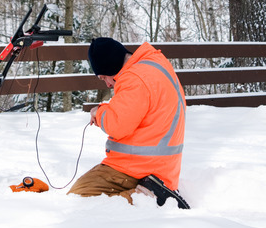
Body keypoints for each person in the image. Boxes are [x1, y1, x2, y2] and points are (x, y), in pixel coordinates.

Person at [68, 37, 186, 205]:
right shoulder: (153, 65)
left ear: (111, 66)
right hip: (161, 165)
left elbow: (117, 125)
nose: (108, 84)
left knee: (80, 196)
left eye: (104, 77)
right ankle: (144, 193)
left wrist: (99, 112)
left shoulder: (135, 80)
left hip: (140, 168)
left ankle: (148, 197)